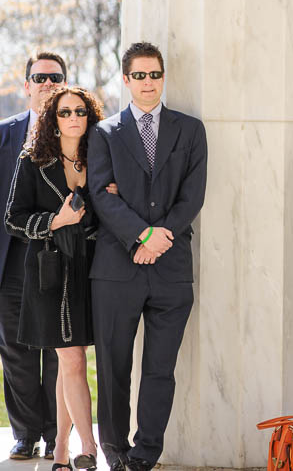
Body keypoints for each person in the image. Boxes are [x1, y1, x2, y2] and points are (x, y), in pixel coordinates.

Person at [87, 42, 208, 471]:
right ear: (126, 80)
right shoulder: (103, 133)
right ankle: (115, 452)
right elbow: (101, 194)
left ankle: (144, 456)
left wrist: (160, 236)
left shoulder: (190, 130)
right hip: (116, 268)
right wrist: (141, 235)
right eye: (139, 75)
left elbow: (192, 196)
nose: (148, 82)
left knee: (160, 370)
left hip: (172, 269)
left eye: (154, 74)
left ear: (163, 77)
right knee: (114, 366)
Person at [5, 86, 104, 471]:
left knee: (68, 365)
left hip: (89, 269)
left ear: (90, 116)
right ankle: (89, 447)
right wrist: (55, 221)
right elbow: (13, 218)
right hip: (48, 275)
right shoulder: (33, 159)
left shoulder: (100, 158)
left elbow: (106, 214)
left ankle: (61, 447)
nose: (73, 118)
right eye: (64, 112)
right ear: (53, 118)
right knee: (74, 359)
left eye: (80, 111)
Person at [0, 52, 64, 461]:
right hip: (11, 262)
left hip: (61, 259)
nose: (47, 83)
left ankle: (58, 435)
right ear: (26, 85)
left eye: (55, 76)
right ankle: (25, 435)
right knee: (17, 354)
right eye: (39, 77)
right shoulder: (4, 135)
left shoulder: (80, 130)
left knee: (60, 353)